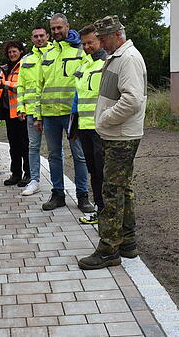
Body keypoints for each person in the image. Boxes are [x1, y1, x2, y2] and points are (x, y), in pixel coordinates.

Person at [78, 15, 147, 270]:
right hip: (119, 133)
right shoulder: (118, 57)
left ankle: (108, 249)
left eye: (104, 39)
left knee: (112, 190)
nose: (102, 44)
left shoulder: (127, 59)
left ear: (117, 35)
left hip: (120, 135)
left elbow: (131, 100)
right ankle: (127, 243)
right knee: (123, 187)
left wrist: (105, 119)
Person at [35, 13, 93, 213]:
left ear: (67, 26)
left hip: (71, 114)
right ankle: (58, 194)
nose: (56, 32)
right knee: (54, 156)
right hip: (50, 114)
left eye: (59, 28)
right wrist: (37, 115)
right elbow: (39, 86)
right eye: (53, 29)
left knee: (80, 156)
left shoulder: (80, 51)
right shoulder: (47, 54)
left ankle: (83, 196)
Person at [71, 25, 107, 225]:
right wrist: (73, 122)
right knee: (93, 171)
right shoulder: (84, 66)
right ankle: (99, 210)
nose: (86, 47)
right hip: (84, 127)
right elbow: (78, 96)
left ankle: (106, 213)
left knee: (103, 172)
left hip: (100, 127)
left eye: (90, 43)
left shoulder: (107, 64)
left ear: (100, 40)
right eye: (83, 43)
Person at [16, 25, 50, 196]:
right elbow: (20, 85)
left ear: (48, 36)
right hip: (30, 110)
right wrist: (20, 107)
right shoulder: (26, 60)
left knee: (55, 148)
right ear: (31, 39)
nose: (39, 39)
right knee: (33, 146)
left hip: (51, 110)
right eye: (35, 36)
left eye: (42, 36)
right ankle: (34, 180)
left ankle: (57, 184)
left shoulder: (55, 55)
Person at [0, 40, 30, 187]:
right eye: (9, 52)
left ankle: (28, 174)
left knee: (25, 145)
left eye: (14, 51)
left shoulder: (25, 66)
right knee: (13, 145)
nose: (12, 54)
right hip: (8, 112)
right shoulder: (4, 69)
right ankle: (15, 173)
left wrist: (5, 84)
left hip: (21, 112)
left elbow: (22, 86)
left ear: (21, 51)